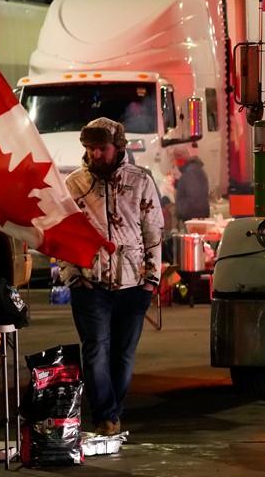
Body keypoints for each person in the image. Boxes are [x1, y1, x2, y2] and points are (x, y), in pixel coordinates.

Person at [60, 117, 163, 437]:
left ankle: (113, 411)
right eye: (90, 149)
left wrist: (152, 279)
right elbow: (63, 233)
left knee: (122, 352)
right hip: (89, 284)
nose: (94, 155)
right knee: (95, 349)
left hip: (134, 284)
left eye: (101, 149)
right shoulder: (74, 184)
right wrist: (73, 275)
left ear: (117, 148)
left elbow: (154, 230)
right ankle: (105, 415)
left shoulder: (141, 181)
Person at [174, 152, 211, 227]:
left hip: (193, 219)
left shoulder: (191, 172)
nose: (175, 164)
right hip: (195, 217)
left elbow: (195, 198)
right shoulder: (193, 170)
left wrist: (182, 211)